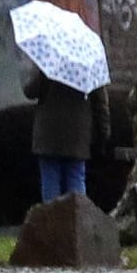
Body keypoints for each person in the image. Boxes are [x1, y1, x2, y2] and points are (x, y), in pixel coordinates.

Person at [26, 68, 95, 204]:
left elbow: (30, 91)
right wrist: (103, 133)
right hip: (77, 136)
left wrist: (38, 72)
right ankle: (78, 220)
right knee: (76, 179)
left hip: (48, 136)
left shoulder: (49, 63)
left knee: (50, 180)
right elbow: (100, 102)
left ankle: (52, 222)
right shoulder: (88, 67)